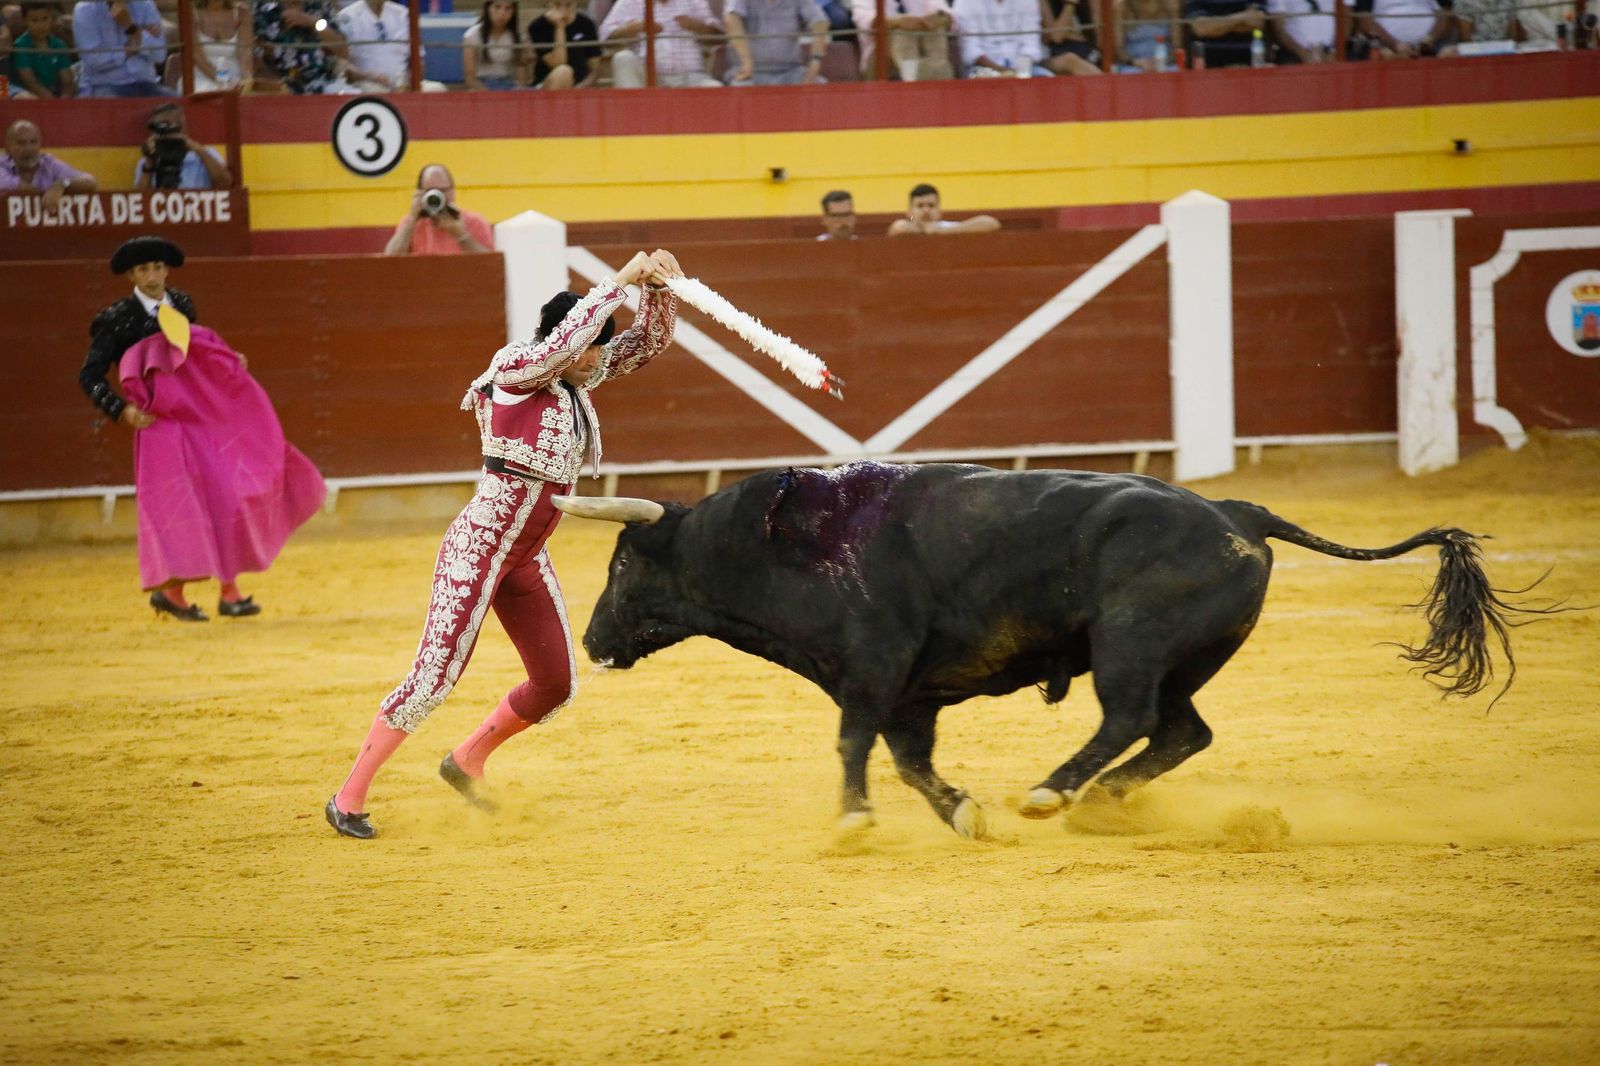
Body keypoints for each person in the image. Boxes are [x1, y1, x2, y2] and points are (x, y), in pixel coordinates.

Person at [326, 248, 684, 840]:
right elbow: (570, 344)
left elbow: (643, 345)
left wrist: (661, 287)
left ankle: (467, 759)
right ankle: (348, 796)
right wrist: (618, 279)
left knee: (555, 682)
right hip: (477, 549)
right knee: (432, 678)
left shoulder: (573, 382)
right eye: (592, 347)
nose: (598, 361)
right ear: (569, 340)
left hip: (524, 558)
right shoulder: (517, 369)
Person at [78, 237, 325, 621]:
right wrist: (121, 410)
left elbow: (195, 359)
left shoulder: (182, 304)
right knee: (178, 509)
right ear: (131, 274)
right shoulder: (116, 319)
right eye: (144, 269)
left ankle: (228, 591)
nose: (153, 276)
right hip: (158, 427)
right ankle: (173, 592)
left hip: (197, 422)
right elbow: (90, 376)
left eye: (158, 267)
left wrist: (226, 362)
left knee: (221, 496)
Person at [599, 0, 722, 88]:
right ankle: (634, 117)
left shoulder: (694, 2)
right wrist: (633, 28)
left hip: (691, 77)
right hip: (648, 78)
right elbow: (605, 36)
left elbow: (719, 36)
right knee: (623, 58)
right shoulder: (630, 2)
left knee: (715, 88)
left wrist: (695, 25)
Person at [384, 163, 495, 255]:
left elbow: (489, 264)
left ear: (453, 191)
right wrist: (412, 219)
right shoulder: (411, 224)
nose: (437, 198)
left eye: (442, 191)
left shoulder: (474, 222)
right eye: (431, 192)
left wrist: (461, 235)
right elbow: (390, 260)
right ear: (420, 194)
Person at [337, 0, 446, 91]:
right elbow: (341, 63)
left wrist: (410, 81)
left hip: (402, 81)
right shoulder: (346, 17)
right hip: (365, 82)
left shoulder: (403, 14)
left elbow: (418, 57)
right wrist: (369, 76)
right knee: (374, 91)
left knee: (436, 89)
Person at [73, 0, 174, 96]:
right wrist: (134, 45)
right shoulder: (85, 10)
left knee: (179, 106)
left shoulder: (146, 5)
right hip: (104, 85)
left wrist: (130, 26)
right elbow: (94, 61)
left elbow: (160, 55)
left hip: (146, 84)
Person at [253, 0, 353, 94]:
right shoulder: (261, 9)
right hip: (279, 89)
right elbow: (254, 58)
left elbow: (342, 50)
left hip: (325, 83)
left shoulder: (318, 4)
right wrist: (278, 86)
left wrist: (313, 22)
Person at [723, 0, 830, 85]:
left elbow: (820, 21)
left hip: (791, 70)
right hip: (750, 72)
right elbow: (731, 18)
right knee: (741, 88)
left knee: (820, 86)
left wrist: (815, 64)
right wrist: (746, 61)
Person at [1, 119, 98, 208]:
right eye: (21, 143)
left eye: (33, 142)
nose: (29, 148)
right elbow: (18, 188)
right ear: (8, 147)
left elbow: (91, 182)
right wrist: (49, 192)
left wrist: (63, 184)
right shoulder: (2, 164)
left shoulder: (48, 163)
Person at [133, 101, 232, 189]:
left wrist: (199, 151)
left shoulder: (207, 154)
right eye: (162, 128)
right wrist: (149, 164)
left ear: (183, 127)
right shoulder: (146, 161)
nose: (168, 133)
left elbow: (225, 183)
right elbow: (139, 200)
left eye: (172, 126)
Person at [851, 0, 953, 80]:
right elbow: (868, 22)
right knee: (902, 32)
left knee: (937, 28)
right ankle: (914, 79)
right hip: (878, 63)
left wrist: (936, 20)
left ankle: (939, 74)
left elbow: (948, 17)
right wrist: (899, 22)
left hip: (921, 50)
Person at [951, 0, 1052, 77]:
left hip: (1023, 68)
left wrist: (1018, 72)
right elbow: (971, 50)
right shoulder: (965, 2)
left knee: (1048, 81)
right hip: (982, 69)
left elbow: (1031, 46)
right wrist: (1003, 72)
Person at [181, 0, 253, 92]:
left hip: (234, 77)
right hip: (201, 79)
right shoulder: (190, 14)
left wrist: (246, 80)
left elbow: (245, 53)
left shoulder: (242, 13)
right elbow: (197, 57)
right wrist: (224, 80)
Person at [527, 0, 600, 89]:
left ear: (575, 3)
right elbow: (559, 63)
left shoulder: (587, 24)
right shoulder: (538, 26)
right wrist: (559, 27)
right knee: (563, 72)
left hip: (578, 87)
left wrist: (578, 89)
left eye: (568, 5)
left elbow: (594, 71)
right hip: (546, 86)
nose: (562, 10)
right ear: (549, 4)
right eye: (557, 5)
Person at [12, 0, 77, 98]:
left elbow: (67, 81)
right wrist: (53, 102)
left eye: (45, 19)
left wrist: (66, 96)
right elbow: (30, 82)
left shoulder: (59, 44)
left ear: (51, 18)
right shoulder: (21, 46)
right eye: (35, 21)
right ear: (25, 20)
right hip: (33, 96)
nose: (41, 25)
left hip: (56, 93)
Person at [887, 182, 999, 236]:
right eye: (920, 206)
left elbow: (991, 223)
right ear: (909, 212)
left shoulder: (947, 226)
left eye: (931, 205)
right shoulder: (906, 225)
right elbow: (899, 228)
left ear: (939, 212)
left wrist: (941, 231)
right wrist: (925, 229)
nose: (926, 210)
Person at [463, 0, 530, 90]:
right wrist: (489, 96)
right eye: (497, 7)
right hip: (482, 85)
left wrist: (520, 88)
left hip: (509, 84)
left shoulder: (518, 36)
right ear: (488, 9)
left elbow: (520, 69)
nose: (502, 13)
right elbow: (470, 78)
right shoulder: (472, 35)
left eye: (508, 8)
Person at [1353, 0, 1455, 57]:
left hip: (1431, 42)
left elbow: (1446, 13)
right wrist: (1395, 45)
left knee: (1450, 53)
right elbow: (1364, 20)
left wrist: (1429, 40)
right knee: (1380, 55)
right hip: (1386, 43)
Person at [1181, 0, 1267, 67]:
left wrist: (1214, 22)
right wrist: (1243, 17)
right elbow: (1201, 28)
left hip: (1248, 66)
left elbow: (1257, 22)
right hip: (1208, 70)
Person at [1041, 0, 1103, 75]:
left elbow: (1102, 41)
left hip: (1089, 53)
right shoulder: (1045, 2)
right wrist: (1070, 4)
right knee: (1071, 60)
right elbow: (1056, 37)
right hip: (1056, 56)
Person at [1116, 0, 1177, 70]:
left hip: (1165, 62)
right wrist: (1136, 62)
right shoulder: (1122, 8)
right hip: (1133, 65)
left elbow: (1177, 47)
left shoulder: (1170, 5)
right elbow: (1119, 50)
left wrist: (1162, 61)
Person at [1267, 0, 1335, 61]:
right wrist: (1304, 54)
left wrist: (1334, 51)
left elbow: (1345, 15)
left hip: (1332, 50)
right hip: (1294, 53)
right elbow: (1279, 29)